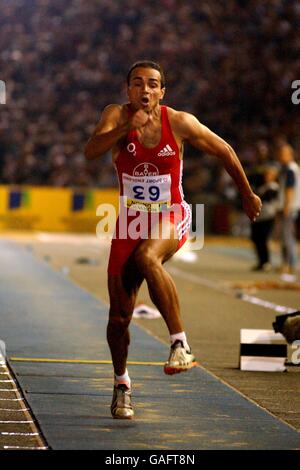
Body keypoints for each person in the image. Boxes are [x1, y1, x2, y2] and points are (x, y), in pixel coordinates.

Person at [84, 60, 262, 419]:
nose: (145, 90)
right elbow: (91, 151)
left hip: (172, 215)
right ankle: (122, 384)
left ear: (162, 92)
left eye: (152, 84)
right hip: (130, 221)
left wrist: (247, 193)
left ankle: (180, 344)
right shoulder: (116, 115)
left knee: (149, 258)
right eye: (137, 83)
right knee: (119, 318)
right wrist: (123, 130)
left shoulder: (178, 121)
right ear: (127, 90)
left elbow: (224, 150)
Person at [277, 143, 300, 280]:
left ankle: (290, 264)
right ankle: (287, 263)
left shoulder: (291, 169)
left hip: (289, 207)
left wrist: (286, 206)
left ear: (289, 155)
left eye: (282, 154)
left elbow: (289, 189)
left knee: (287, 237)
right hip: (290, 206)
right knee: (286, 236)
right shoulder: (289, 168)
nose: (280, 157)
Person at [250, 165, 279, 271]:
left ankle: (266, 262)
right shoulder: (262, 186)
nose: (267, 176)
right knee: (256, 238)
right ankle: (261, 261)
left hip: (268, 216)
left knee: (263, 239)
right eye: (266, 174)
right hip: (259, 216)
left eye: (270, 175)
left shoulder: (273, 187)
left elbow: (267, 198)